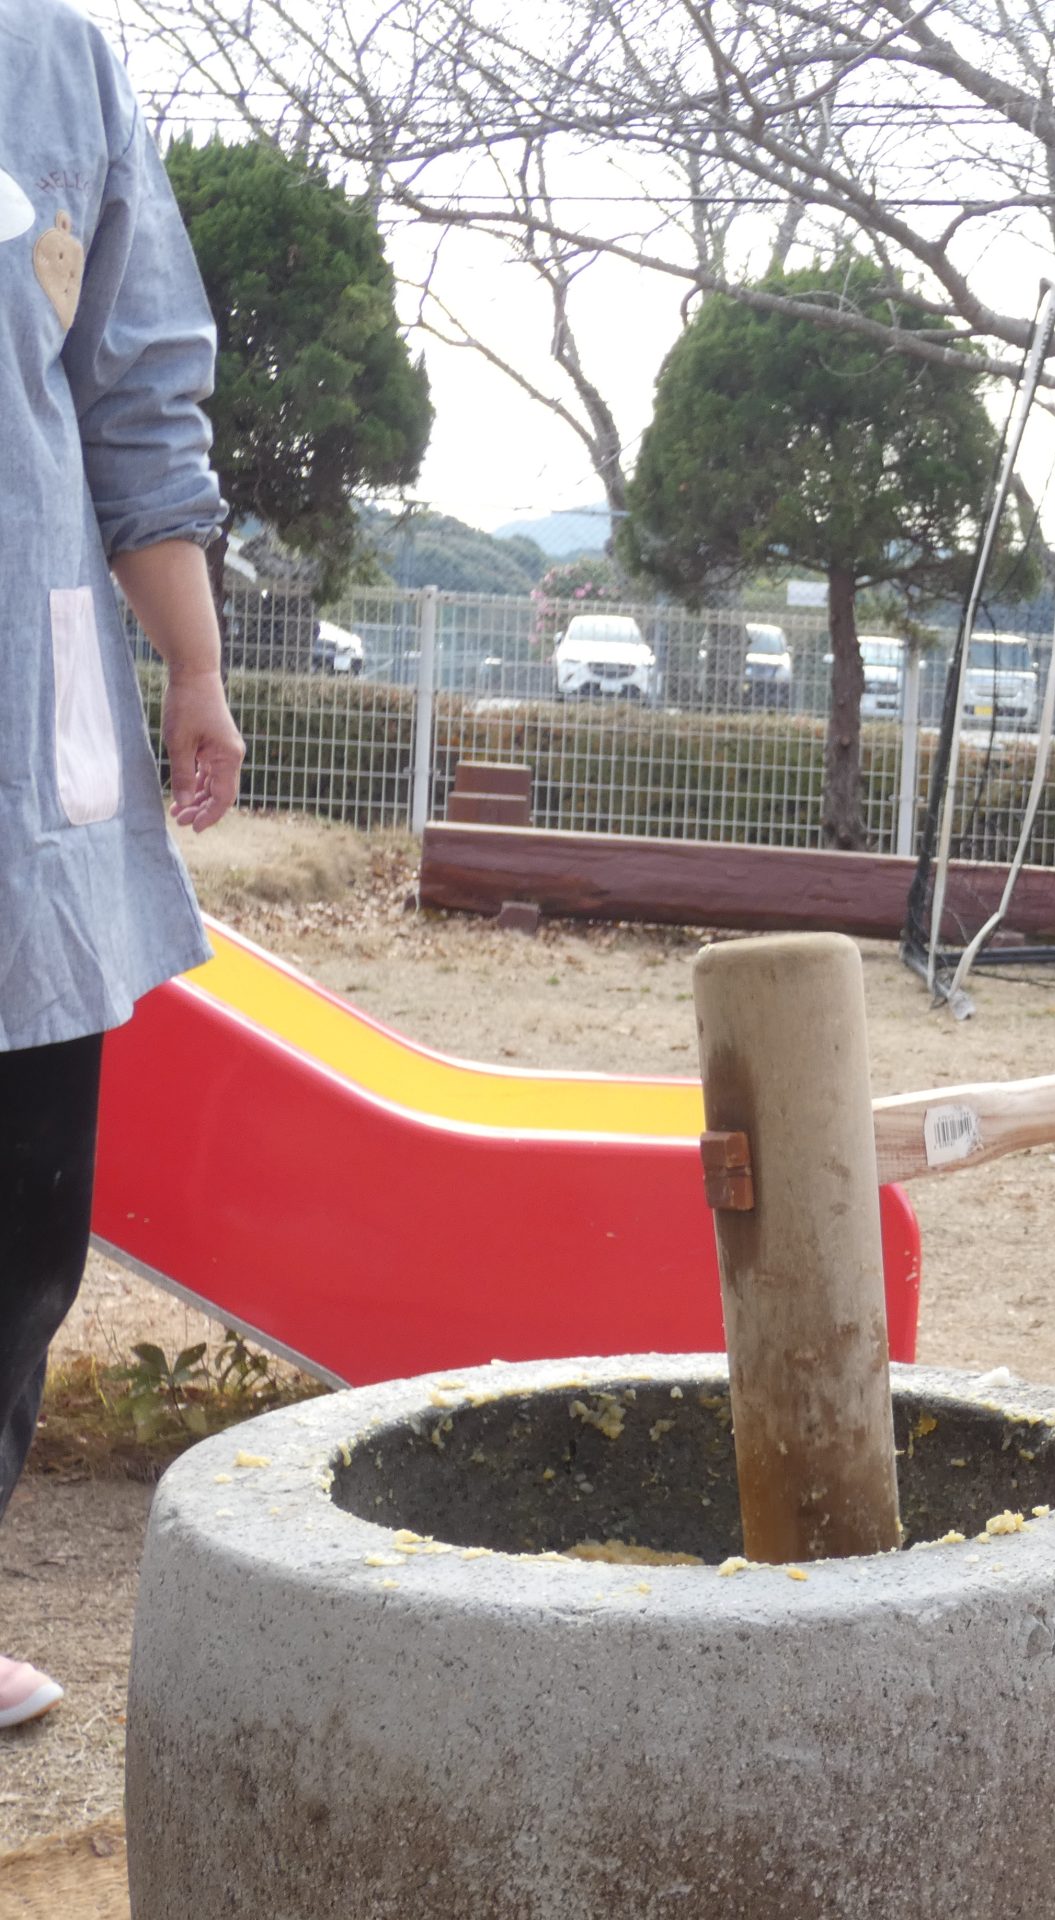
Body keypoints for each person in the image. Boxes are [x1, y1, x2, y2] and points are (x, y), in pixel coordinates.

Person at [2, 0, 244, 1729]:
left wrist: (198, 667)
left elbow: (137, 393)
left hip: (22, 734)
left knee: (18, 1211)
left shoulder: (57, 63)